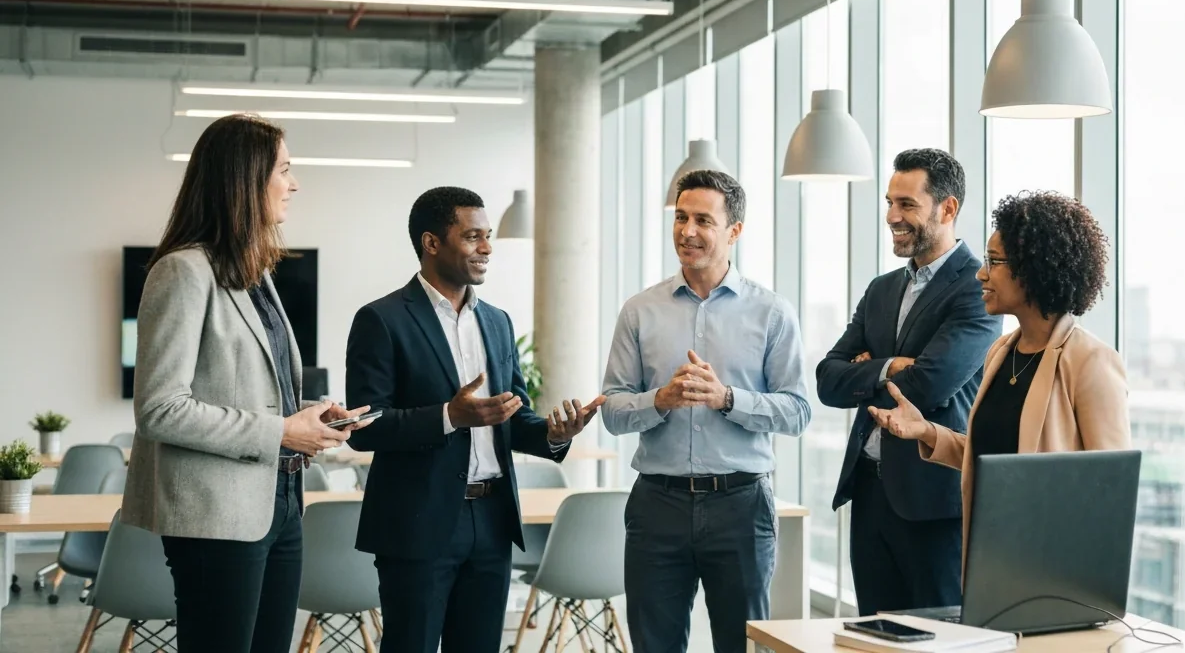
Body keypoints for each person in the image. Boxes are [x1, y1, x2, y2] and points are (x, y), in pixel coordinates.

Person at [123, 114, 370, 653]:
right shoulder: (182, 272)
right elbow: (160, 408)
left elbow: (249, 387)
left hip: (280, 503)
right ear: (244, 179)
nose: (295, 183)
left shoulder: (255, 274)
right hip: (216, 514)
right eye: (284, 169)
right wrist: (281, 430)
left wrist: (310, 417)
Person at [345, 186, 602, 653]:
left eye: (489, 238)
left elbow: (511, 416)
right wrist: (448, 416)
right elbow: (365, 429)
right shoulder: (381, 320)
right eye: (473, 237)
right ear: (432, 243)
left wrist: (553, 433)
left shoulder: (499, 322)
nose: (486, 248)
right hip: (419, 522)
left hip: (492, 519)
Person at [600, 169, 810, 653]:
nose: (687, 231)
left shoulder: (772, 313)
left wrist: (728, 399)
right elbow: (612, 410)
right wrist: (660, 400)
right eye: (680, 217)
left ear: (734, 231)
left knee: (741, 645)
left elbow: (798, 411)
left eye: (702, 220)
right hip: (658, 505)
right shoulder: (639, 311)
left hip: (741, 505)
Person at [870, 190, 1132, 575]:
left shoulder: (1090, 361)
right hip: (989, 553)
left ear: (1033, 269)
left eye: (994, 261)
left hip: (1052, 563)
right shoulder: (1001, 352)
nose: (981, 272)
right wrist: (926, 431)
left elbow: (1112, 489)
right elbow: (992, 457)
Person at [815, 148, 1001, 614]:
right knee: (872, 637)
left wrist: (869, 365)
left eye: (907, 205)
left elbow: (926, 387)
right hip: (870, 492)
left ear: (948, 208)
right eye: (889, 202)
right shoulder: (882, 288)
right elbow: (826, 380)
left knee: (939, 640)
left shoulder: (976, 288)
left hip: (933, 502)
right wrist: (889, 364)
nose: (892, 216)